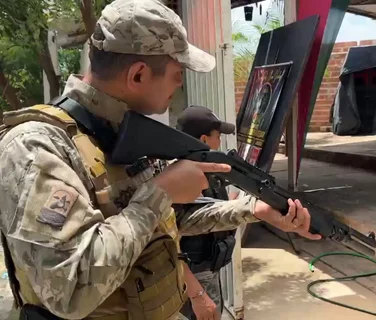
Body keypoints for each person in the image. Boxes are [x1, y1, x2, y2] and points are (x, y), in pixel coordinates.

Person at [0, 1, 321, 320]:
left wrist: (252, 210)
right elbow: (71, 291)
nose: (180, 84)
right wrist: (160, 193)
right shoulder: (35, 146)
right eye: (177, 74)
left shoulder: (120, 132)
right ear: (138, 75)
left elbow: (162, 223)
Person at [175, 105, 240, 319]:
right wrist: (198, 294)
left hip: (207, 270)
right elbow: (167, 242)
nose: (220, 141)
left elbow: (207, 210)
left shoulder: (204, 170)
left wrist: (233, 206)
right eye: (218, 136)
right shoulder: (183, 179)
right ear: (203, 139)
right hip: (195, 275)